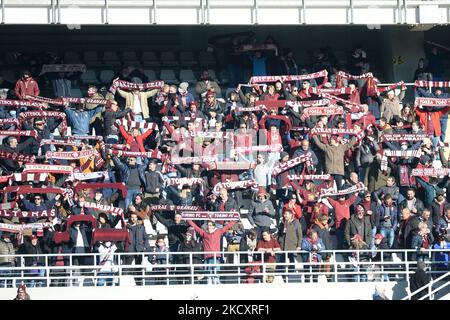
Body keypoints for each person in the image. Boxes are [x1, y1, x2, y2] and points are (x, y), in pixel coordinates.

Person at [187, 219, 236, 284]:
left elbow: (227, 227)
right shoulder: (204, 233)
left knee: (216, 274)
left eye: (210, 225)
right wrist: (188, 220)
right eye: (208, 225)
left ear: (213, 226)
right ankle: (209, 283)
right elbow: (195, 227)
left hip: (216, 257)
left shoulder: (218, 232)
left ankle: (216, 283)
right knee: (208, 275)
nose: (209, 227)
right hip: (207, 258)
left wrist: (234, 220)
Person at [124, 212, 150, 286]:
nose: (133, 219)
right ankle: (124, 283)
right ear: (130, 218)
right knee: (126, 267)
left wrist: (146, 247)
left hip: (139, 250)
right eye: (132, 217)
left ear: (137, 218)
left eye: (135, 217)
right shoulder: (126, 227)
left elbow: (146, 238)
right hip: (129, 250)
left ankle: (139, 284)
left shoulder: (141, 227)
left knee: (138, 268)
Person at [277, 209, 302, 282]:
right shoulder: (282, 223)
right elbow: (279, 234)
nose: (285, 216)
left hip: (292, 246)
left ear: (291, 215)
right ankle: (282, 278)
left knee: (292, 261)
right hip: (283, 246)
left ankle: (291, 277)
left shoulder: (296, 223)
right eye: (284, 214)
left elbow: (299, 235)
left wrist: (299, 246)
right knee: (282, 262)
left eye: (286, 214)